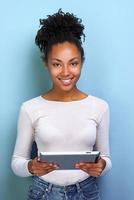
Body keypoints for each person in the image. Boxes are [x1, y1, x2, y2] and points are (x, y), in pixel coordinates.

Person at [11, 9, 112, 200]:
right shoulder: (30, 108)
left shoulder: (100, 107)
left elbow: (106, 159)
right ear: (46, 64)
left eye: (73, 63)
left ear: (82, 62)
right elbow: (17, 162)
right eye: (57, 64)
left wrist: (102, 165)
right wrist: (31, 167)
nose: (66, 72)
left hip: (87, 192)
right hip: (44, 192)